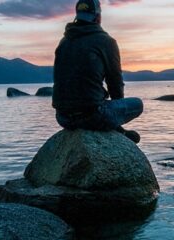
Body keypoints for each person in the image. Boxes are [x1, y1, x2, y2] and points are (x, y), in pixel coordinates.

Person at [52, 0, 143, 143]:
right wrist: (115, 115)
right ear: (98, 17)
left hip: (62, 118)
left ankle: (118, 130)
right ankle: (117, 130)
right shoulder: (106, 41)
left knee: (97, 102)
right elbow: (115, 82)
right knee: (137, 104)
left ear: (77, 16)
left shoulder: (64, 41)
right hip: (92, 116)